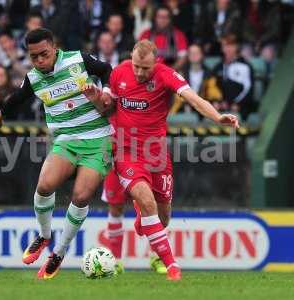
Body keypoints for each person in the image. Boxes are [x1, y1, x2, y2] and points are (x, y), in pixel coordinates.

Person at [83, 40, 239, 281]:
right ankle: (170, 265)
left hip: (156, 155)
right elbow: (107, 108)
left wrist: (217, 117)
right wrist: (95, 98)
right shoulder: (118, 73)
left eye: (145, 68)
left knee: (162, 215)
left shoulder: (166, 75)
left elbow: (193, 99)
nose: (139, 72)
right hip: (125, 151)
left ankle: (144, 224)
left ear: (155, 62)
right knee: (139, 202)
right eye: (136, 66)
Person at [0, 28, 113, 280]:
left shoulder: (78, 60)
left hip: (98, 139)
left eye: (43, 54)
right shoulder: (34, 77)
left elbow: (106, 69)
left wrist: (108, 93)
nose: (39, 61)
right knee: (45, 185)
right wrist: (2, 113)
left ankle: (59, 252)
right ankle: (44, 236)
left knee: (81, 196)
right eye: (33, 56)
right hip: (66, 140)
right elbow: (18, 97)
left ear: (54, 48)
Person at [213, 34, 254, 119]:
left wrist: (236, 104)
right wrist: (216, 101)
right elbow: (213, 87)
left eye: (230, 45)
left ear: (237, 47)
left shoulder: (245, 66)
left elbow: (248, 88)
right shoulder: (218, 67)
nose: (227, 49)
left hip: (239, 107)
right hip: (220, 107)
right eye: (224, 46)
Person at [139, 5, 188, 70]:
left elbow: (183, 57)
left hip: (172, 72)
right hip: (149, 72)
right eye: (159, 17)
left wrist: (171, 71)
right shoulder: (146, 34)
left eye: (165, 17)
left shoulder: (178, 35)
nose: (162, 20)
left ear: (170, 19)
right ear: (155, 18)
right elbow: (139, 56)